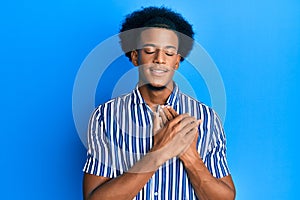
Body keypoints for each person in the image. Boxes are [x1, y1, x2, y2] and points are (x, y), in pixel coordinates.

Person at [83, 6, 235, 200]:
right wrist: (159, 154)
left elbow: (225, 198)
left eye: (169, 53)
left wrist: (190, 157)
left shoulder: (205, 118)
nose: (159, 59)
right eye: (149, 50)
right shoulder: (105, 117)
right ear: (135, 57)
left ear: (177, 61)